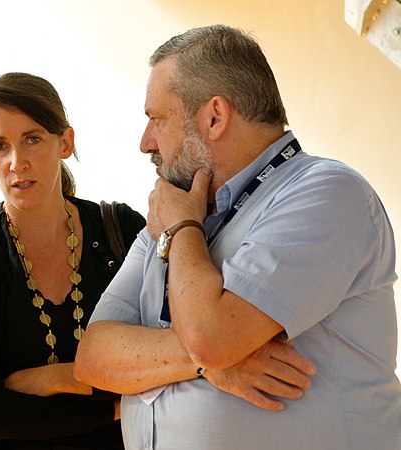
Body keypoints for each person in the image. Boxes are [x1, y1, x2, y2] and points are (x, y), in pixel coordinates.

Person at [74, 24, 401, 449]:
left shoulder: (326, 192)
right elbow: (94, 357)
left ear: (214, 116)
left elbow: (212, 338)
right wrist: (206, 365)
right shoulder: (177, 208)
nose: (145, 142)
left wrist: (181, 231)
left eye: (157, 119)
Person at [0, 72, 145, 449]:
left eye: (32, 139)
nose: (18, 162)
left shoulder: (122, 229)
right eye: (0, 146)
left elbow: (165, 358)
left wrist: (60, 378)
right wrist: (120, 402)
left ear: (65, 142)